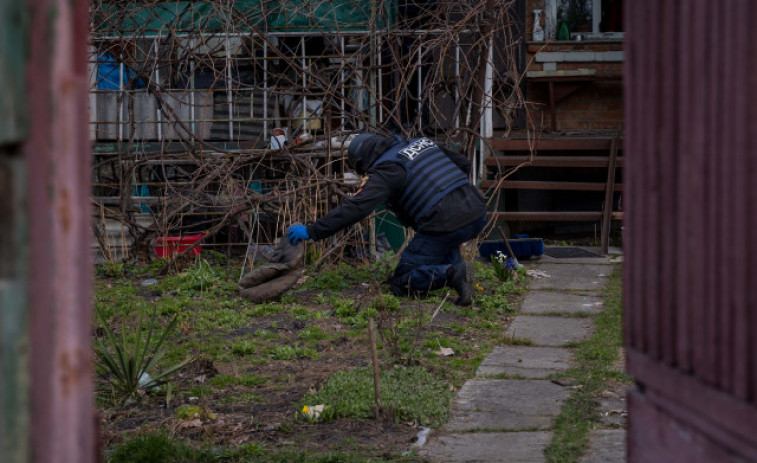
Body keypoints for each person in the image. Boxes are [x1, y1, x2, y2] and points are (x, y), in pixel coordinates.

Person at [287, 133, 487, 305]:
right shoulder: (420, 142)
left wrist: (313, 231)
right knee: (442, 242)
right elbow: (463, 164)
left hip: (445, 222)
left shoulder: (388, 169)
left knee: (401, 280)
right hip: (477, 212)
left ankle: (452, 275)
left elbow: (357, 207)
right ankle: (458, 271)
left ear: (364, 161)